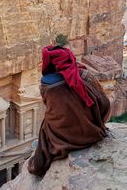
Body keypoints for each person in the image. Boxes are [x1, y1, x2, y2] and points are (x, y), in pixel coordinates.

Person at [27, 45, 111, 176]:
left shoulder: (46, 84)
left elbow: (50, 106)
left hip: (60, 136)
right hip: (91, 132)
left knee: (45, 124)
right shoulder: (85, 75)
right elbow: (104, 103)